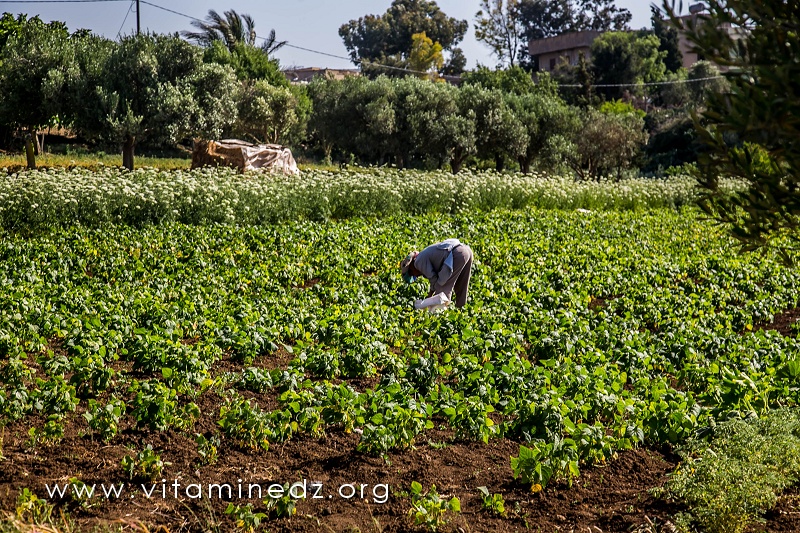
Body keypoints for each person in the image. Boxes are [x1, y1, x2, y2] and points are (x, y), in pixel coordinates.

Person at [399, 238, 473, 308]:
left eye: (412, 274)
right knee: (461, 284)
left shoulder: (418, 262)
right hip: (466, 251)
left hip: (457, 254)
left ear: (411, 267)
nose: (416, 276)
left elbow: (433, 278)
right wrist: (430, 295)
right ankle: (461, 309)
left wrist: (430, 296)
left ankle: (442, 315)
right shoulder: (422, 255)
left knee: (442, 290)